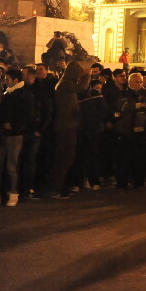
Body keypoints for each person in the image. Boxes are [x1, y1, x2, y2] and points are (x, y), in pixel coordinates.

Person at [0, 68, 32, 207]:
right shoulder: (8, 93)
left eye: (8, 78)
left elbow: (27, 114)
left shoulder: (24, 94)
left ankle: (13, 192)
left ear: (15, 80)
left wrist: (14, 125)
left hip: (14, 134)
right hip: (2, 133)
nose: (5, 81)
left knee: (11, 165)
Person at [47, 60, 91, 198]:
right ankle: (56, 187)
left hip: (67, 124)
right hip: (66, 125)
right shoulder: (66, 84)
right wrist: (87, 75)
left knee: (64, 156)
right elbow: (82, 88)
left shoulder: (64, 83)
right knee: (66, 156)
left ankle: (58, 186)